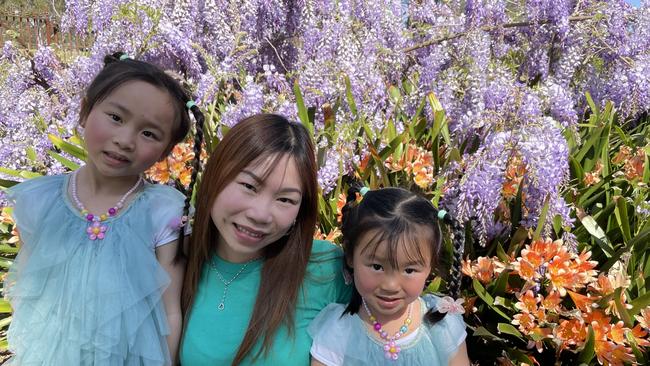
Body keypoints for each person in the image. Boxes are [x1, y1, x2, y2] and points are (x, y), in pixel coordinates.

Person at [3, 52, 205, 365]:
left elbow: (170, 309)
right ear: (85, 111)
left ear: (165, 151)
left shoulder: (162, 212)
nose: (125, 140)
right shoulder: (41, 200)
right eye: (116, 117)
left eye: (148, 133)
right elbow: (29, 284)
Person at [179, 114, 351, 365]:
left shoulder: (327, 268)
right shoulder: (178, 257)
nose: (260, 215)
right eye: (249, 186)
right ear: (216, 176)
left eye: (285, 200)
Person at [309, 186, 470, 365]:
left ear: (430, 266)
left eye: (409, 270)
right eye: (377, 267)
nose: (391, 285)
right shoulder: (339, 331)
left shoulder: (440, 322)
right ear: (351, 257)